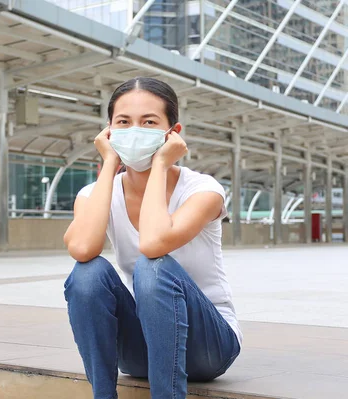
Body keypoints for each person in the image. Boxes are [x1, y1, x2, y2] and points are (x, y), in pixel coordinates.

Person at [63, 77, 241, 399]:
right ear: (108, 131)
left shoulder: (202, 190)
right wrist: (109, 164)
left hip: (209, 346)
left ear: (173, 132)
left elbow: (153, 244)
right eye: (123, 122)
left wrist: (160, 163)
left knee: (152, 267)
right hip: (142, 348)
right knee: (87, 274)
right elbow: (82, 248)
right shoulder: (94, 194)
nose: (134, 131)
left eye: (148, 122)